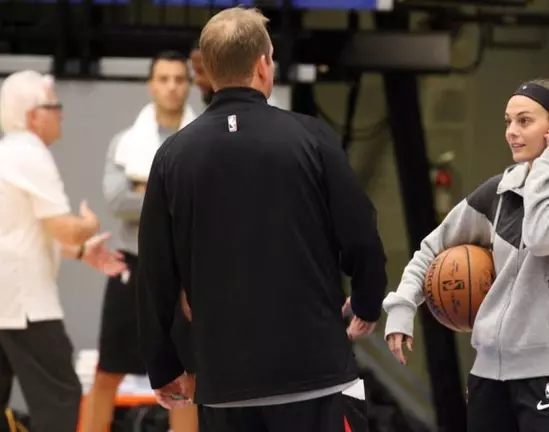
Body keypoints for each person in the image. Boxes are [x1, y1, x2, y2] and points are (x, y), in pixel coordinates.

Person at [136, 7, 387, 432]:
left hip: (225, 387)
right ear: (262, 65)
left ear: (207, 72)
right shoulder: (312, 138)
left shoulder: (173, 157)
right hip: (318, 378)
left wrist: (162, 362)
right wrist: (367, 298)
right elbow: (361, 233)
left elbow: (155, 271)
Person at [383, 78, 549, 431]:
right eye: (508, 122)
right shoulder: (499, 191)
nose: (512, 131)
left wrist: (547, 166)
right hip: (489, 374)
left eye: (524, 121)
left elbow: (543, 234)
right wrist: (402, 305)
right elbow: (432, 247)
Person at [0, 70, 127, 432]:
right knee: (61, 395)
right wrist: (85, 226)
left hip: (7, 299)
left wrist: (82, 249)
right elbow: (61, 227)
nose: (62, 114)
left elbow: (28, 232)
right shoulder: (29, 152)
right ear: (32, 116)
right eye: (55, 106)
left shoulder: (7, 152)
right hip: (25, 303)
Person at [80, 50, 199, 432]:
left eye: (179, 79)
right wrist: (175, 192)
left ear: (189, 84)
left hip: (186, 272)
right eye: (163, 78)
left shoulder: (202, 137)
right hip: (133, 263)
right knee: (107, 372)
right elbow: (118, 200)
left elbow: (208, 200)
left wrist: (145, 185)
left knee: (187, 376)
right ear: (150, 84)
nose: (171, 86)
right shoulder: (126, 141)